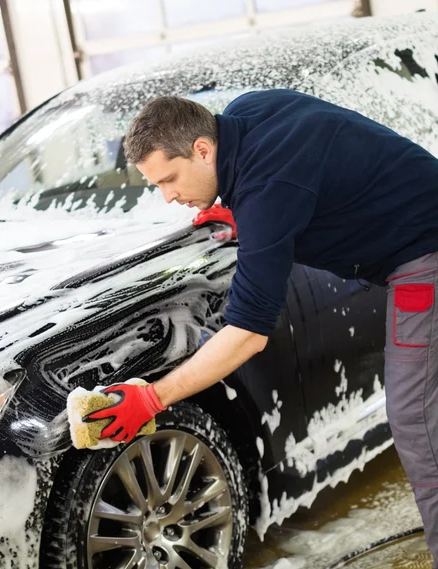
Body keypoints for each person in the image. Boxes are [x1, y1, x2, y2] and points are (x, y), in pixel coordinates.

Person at [85, 89, 438, 564]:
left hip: (424, 254)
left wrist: (153, 396)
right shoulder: (246, 113)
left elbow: (248, 333)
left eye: (169, 179)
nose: (167, 196)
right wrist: (242, 212)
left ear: (202, 150)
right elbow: (305, 168)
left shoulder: (267, 192)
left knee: (417, 423)